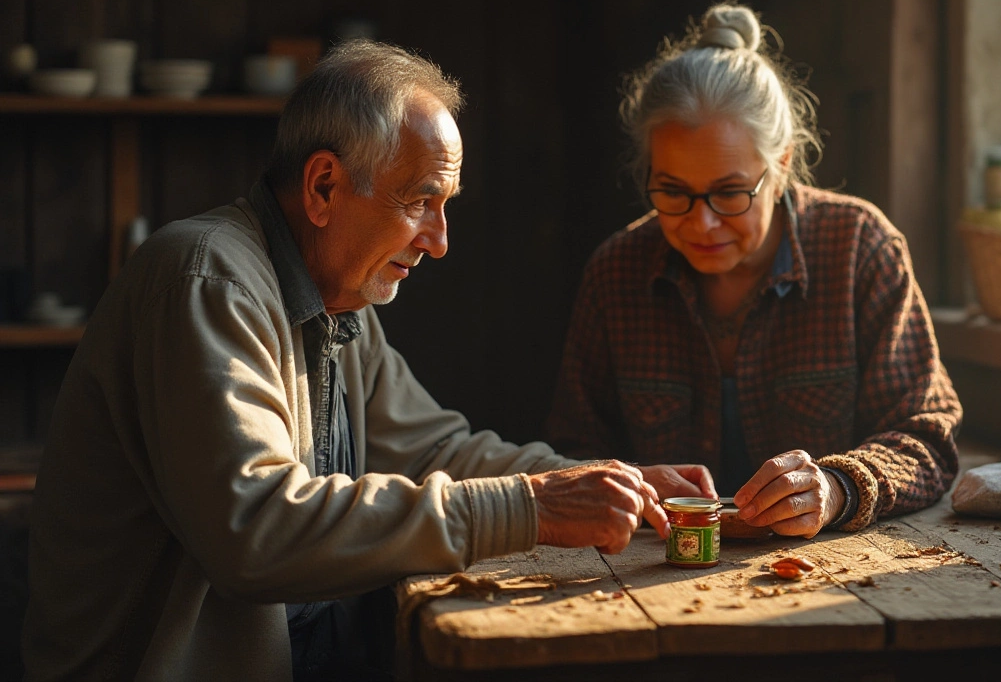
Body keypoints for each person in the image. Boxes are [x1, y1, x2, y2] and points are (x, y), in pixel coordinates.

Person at [21, 40, 711, 681]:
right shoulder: (208, 281)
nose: (439, 242)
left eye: (446, 207)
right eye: (420, 202)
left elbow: (435, 450)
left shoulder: (340, 305)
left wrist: (596, 484)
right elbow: (255, 531)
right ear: (324, 186)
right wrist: (532, 507)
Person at [548, 4, 962, 539]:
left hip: (834, 572)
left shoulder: (859, 248)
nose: (702, 222)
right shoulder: (617, 273)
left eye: (729, 192)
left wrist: (837, 488)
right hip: (652, 571)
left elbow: (927, 438)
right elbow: (573, 452)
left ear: (783, 165)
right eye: (673, 191)